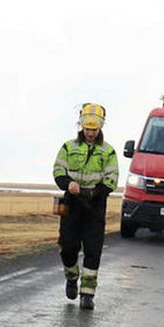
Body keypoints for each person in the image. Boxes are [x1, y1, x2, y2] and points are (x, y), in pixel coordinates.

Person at [52, 103, 119, 310]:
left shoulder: (108, 151)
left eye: (94, 129)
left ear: (100, 128)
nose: (90, 133)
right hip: (71, 204)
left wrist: (94, 192)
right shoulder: (68, 147)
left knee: (93, 249)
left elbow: (112, 178)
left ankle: (87, 294)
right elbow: (58, 170)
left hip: (95, 205)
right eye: (87, 129)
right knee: (67, 247)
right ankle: (71, 277)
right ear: (81, 126)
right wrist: (67, 184)